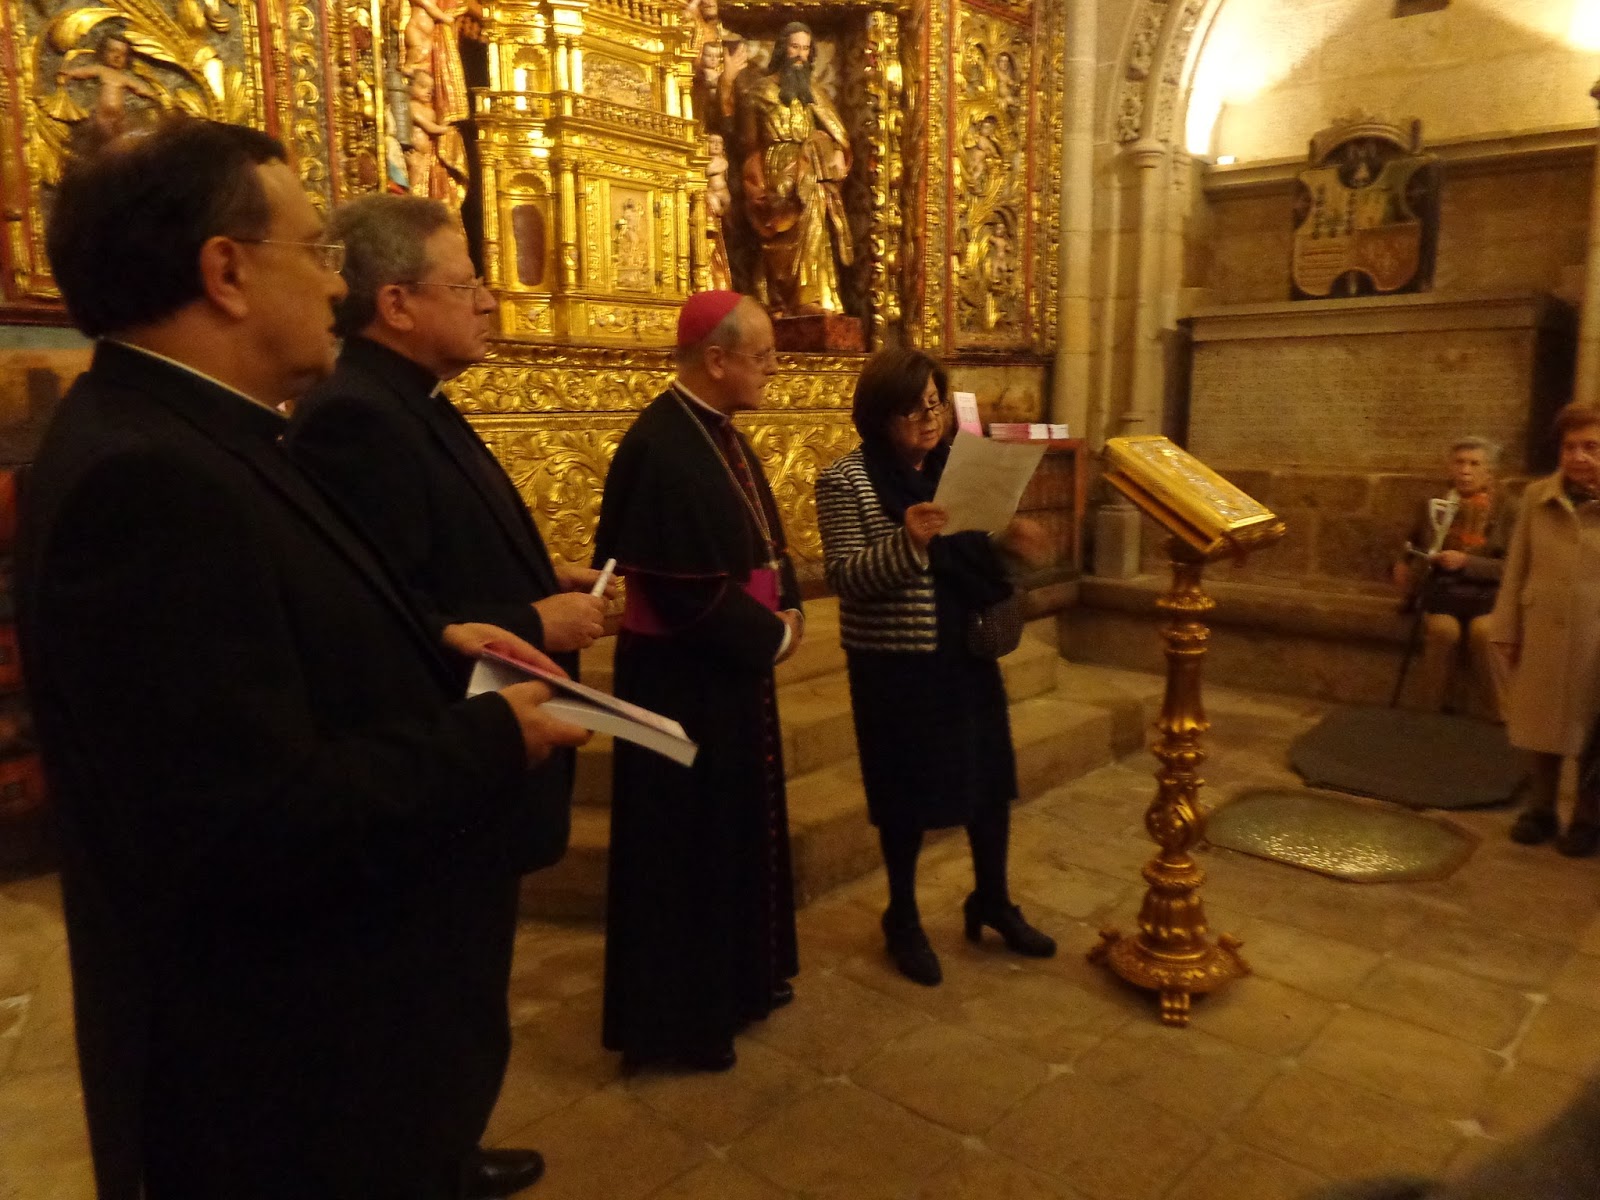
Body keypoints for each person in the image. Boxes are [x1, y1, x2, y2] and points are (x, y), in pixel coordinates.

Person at [18, 117, 589, 1200]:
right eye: (318, 249)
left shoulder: (202, 432)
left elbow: (265, 639)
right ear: (226, 272)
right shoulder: (148, 480)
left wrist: (434, 635)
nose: (336, 284)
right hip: (279, 1075)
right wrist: (490, 734)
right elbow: (246, 813)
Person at [285, 192, 611, 1197]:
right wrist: (532, 616)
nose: (488, 301)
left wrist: (541, 576)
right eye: (465, 284)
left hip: (476, 748)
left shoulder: (411, 397)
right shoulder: (356, 416)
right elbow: (381, 609)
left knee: (464, 985)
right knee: (431, 992)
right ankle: (424, 1162)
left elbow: (439, 550)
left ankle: (445, 1149)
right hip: (443, 750)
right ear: (396, 303)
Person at [593, 290, 802, 1071]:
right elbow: (685, 592)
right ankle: (680, 1022)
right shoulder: (663, 445)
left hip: (726, 675)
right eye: (763, 356)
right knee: (684, 850)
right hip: (680, 686)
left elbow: (764, 549)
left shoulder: (719, 434)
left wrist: (788, 607)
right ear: (716, 360)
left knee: (730, 835)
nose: (773, 369)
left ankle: (740, 983)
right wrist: (775, 635)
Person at [813, 348, 1055, 986]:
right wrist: (908, 542)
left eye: (935, 404)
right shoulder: (847, 481)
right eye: (912, 409)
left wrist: (1011, 543)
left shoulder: (958, 469)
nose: (929, 419)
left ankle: (992, 899)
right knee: (906, 796)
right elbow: (844, 577)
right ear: (879, 414)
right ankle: (902, 917)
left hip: (965, 649)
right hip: (896, 666)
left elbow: (977, 551)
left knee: (989, 781)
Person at [1489, 402, 1600, 856]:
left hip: (1595, 635)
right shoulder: (1537, 497)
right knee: (1541, 724)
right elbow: (1517, 565)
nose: (1578, 456)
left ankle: (1588, 819)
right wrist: (1506, 627)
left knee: (1592, 732)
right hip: (1543, 629)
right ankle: (1540, 809)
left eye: (1591, 446)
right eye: (1570, 446)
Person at [1390, 437, 1516, 717]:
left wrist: (1468, 562)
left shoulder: (1508, 509)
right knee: (1443, 631)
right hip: (1443, 594)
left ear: (1489, 472)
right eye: (1459, 463)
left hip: (1487, 597)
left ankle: (1501, 714)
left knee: (1485, 633)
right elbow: (1411, 541)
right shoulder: (1434, 504)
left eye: (1474, 464)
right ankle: (1430, 711)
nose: (1465, 470)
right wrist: (1404, 562)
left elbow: (1513, 566)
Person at [737, 21, 853, 316]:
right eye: (794, 47)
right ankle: (781, 300)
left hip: (809, 169)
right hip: (775, 168)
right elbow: (749, 146)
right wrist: (755, 185)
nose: (800, 54)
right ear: (782, 50)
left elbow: (837, 132)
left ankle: (811, 296)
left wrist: (835, 151)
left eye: (805, 48)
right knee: (780, 234)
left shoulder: (813, 93)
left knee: (814, 230)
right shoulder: (757, 92)